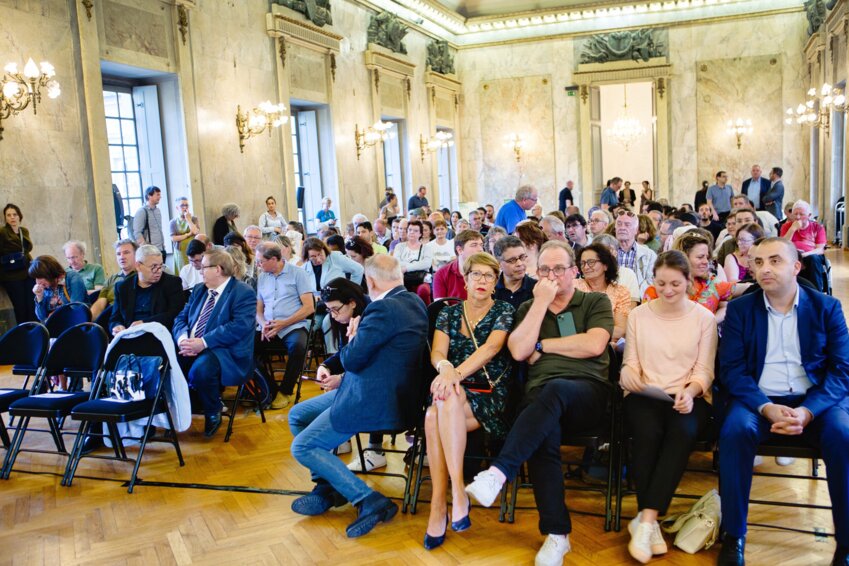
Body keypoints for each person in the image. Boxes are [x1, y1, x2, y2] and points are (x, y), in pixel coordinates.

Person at [463, 241, 613, 566]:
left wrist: (543, 345)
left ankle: (499, 472)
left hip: (587, 394)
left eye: (559, 268)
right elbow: (519, 350)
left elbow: (594, 344)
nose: (552, 276)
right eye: (545, 269)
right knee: (544, 433)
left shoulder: (594, 301)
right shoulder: (530, 307)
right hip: (541, 398)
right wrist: (541, 303)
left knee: (554, 390)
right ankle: (557, 535)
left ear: (574, 271)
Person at [716, 237, 849, 566]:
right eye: (758, 262)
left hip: (815, 401)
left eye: (775, 261)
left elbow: (842, 371)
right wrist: (765, 406)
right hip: (758, 400)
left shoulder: (826, 308)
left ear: (796, 266)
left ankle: (846, 542)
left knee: (843, 434)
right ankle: (734, 535)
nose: (765, 269)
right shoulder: (741, 309)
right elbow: (731, 370)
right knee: (734, 432)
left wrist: (807, 411)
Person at [287, 254, 427, 539]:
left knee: (302, 447)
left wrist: (353, 337)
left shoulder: (382, 309)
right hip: (382, 391)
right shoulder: (414, 300)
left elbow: (352, 359)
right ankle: (330, 486)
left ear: (370, 281)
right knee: (298, 415)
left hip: (373, 399)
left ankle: (368, 500)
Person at [621, 250, 717, 563]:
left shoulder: (703, 318)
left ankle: (646, 519)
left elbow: (704, 370)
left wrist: (691, 391)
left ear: (689, 281)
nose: (667, 290)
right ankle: (649, 522)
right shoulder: (639, 315)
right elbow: (631, 361)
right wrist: (628, 373)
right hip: (646, 392)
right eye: (661, 283)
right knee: (646, 432)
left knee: (682, 432)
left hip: (687, 395)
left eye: (675, 284)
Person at [424, 252, 515, 550]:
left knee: (434, 413)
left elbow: (491, 348)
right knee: (436, 410)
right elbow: (438, 352)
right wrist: (445, 369)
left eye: (489, 275)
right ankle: (454, 495)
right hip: (452, 388)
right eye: (476, 274)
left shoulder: (503, 309)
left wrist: (455, 374)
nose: (482, 280)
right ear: (465, 279)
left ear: (496, 281)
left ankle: (441, 503)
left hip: (489, 391)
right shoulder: (448, 313)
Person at [172, 248, 256, 437]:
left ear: (218, 269)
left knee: (200, 371)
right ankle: (179, 411)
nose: (200, 271)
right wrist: (183, 340)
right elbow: (180, 318)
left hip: (225, 350)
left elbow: (239, 327)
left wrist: (203, 342)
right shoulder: (199, 290)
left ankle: (213, 410)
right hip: (191, 345)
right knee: (165, 366)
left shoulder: (242, 292)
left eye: (203, 267)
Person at [255, 241, 315, 410]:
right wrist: (263, 323)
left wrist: (283, 323)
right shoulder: (262, 277)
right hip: (267, 327)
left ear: (274, 259)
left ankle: (285, 391)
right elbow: (258, 310)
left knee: (298, 346)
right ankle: (270, 389)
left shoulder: (298, 273)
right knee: (244, 348)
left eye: (260, 261)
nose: (258, 265)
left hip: (292, 325)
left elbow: (309, 307)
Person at [645, 231, 733, 321]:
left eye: (707, 257)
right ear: (684, 258)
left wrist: (712, 321)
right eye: (700, 257)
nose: (706, 261)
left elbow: (739, 290)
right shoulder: (655, 290)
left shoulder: (712, 284)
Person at [109, 245, 185, 335]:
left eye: (161, 266)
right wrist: (117, 326)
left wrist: (145, 323)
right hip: (129, 335)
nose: (159, 271)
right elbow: (115, 318)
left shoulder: (171, 283)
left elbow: (175, 313)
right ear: (138, 266)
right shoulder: (123, 287)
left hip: (158, 334)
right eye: (154, 266)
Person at [575, 244, 632, 343]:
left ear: (605, 265)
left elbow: (621, 331)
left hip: (607, 346)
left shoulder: (620, 292)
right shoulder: (573, 286)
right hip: (576, 344)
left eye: (591, 262)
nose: (586, 267)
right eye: (582, 263)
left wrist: (586, 333)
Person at [0, 203, 35, 323]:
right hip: (11, 276)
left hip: (28, 272)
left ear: (19, 216)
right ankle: (24, 331)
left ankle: (34, 329)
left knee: (32, 305)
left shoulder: (24, 231)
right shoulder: (2, 232)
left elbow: (26, 249)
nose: (12, 217)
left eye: (14, 214)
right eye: (8, 215)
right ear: (5, 218)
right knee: (20, 307)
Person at [89, 239, 138, 321]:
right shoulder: (112, 279)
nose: (122, 257)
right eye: (118, 254)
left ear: (136, 255)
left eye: (126, 252)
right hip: (109, 316)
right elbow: (100, 303)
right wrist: (90, 321)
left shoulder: (142, 276)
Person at [29, 255, 87, 321]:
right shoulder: (45, 288)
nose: (38, 282)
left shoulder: (72, 278)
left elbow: (76, 308)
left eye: (40, 277)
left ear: (50, 272)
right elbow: (42, 317)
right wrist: (39, 296)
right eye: (36, 278)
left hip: (76, 322)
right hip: (56, 324)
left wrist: (54, 315)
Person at [432, 230, 485, 300]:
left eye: (481, 245)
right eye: (474, 245)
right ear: (459, 250)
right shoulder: (441, 274)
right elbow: (440, 305)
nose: (481, 249)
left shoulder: (488, 271)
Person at [614, 209, 657, 295]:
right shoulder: (606, 251)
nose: (622, 228)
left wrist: (633, 295)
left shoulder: (649, 255)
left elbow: (651, 282)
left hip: (638, 299)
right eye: (619, 224)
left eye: (627, 224)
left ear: (636, 230)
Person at [493, 236, 536, 310]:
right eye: (512, 260)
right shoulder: (490, 289)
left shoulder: (537, 288)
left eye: (522, 257)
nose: (520, 263)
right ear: (499, 263)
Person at [392, 220, 434, 297]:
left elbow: (426, 264)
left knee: (423, 289)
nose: (412, 232)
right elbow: (396, 262)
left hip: (420, 279)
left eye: (415, 231)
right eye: (410, 230)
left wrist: (406, 268)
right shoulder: (399, 246)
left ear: (420, 234)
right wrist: (416, 265)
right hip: (402, 278)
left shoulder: (426, 248)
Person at [133, 186, 166, 254]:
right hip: (150, 252)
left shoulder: (158, 211)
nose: (160, 197)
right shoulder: (142, 211)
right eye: (157, 195)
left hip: (161, 249)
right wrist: (145, 248)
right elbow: (137, 232)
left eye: (160, 195)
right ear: (149, 196)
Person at [169, 197, 199, 271]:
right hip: (180, 252)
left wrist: (188, 219)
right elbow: (173, 238)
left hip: (193, 250)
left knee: (193, 270)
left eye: (186, 205)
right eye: (182, 205)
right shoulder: (173, 222)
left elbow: (195, 231)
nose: (185, 208)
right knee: (183, 271)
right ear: (177, 208)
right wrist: (188, 235)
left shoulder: (194, 219)